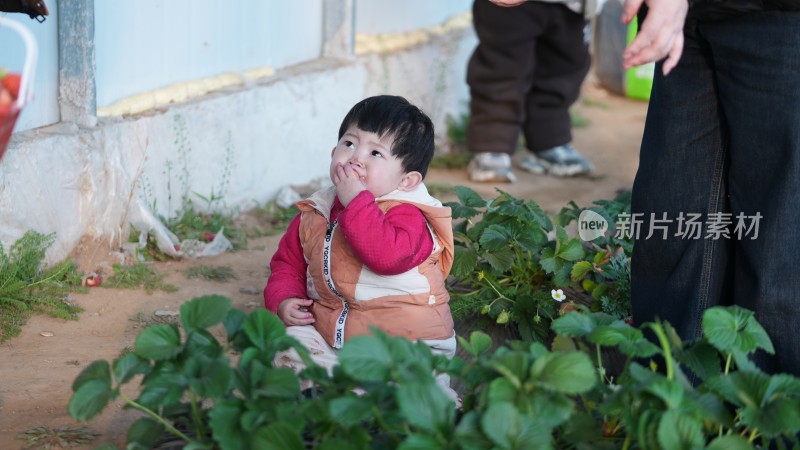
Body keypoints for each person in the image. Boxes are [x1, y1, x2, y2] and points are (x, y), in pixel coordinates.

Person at [625, 0, 800, 376]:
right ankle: (672, 406)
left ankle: (773, 423)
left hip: (784, 16)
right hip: (685, 15)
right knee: (670, 226)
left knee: (780, 250)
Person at [264, 95, 458, 401]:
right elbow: (288, 264)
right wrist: (284, 299)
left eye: (376, 153)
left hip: (405, 343)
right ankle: (324, 395)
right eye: (350, 143)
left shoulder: (410, 214)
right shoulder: (317, 211)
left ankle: (430, 412)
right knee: (289, 347)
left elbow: (386, 256)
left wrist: (357, 202)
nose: (356, 158)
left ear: (407, 180)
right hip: (332, 335)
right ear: (334, 151)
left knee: (417, 394)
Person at [466, 0, 593, 183]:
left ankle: (549, 140)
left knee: (563, 70)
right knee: (502, 70)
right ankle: (493, 145)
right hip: (509, 5)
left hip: (572, 5)